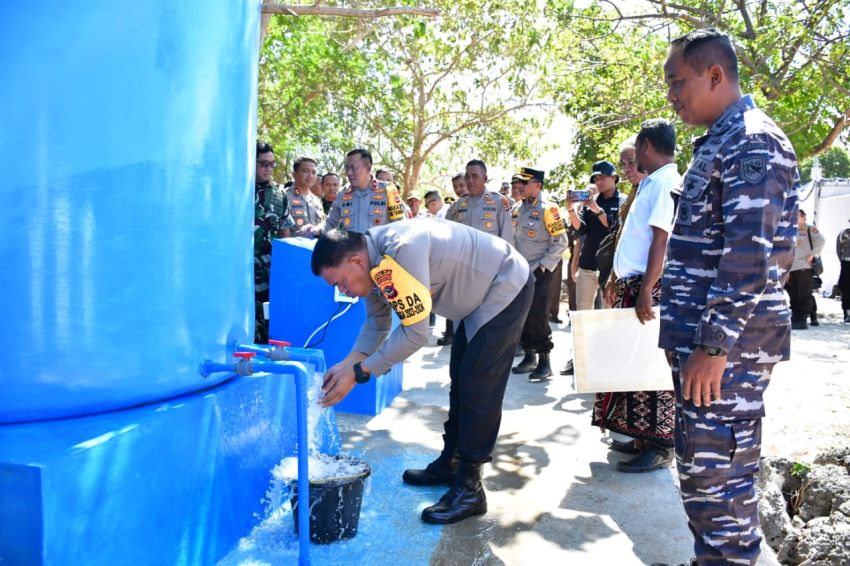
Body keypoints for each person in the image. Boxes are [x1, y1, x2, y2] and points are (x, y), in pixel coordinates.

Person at [654, 28, 799, 566]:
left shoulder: (752, 140)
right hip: (711, 341)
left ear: (715, 75)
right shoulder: (722, 139)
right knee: (701, 466)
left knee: (717, 471)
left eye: (678, 82)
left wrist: (713, 347)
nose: (672, 96)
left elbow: (749, 256)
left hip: (729, 349)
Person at [311, 223, 534, 525]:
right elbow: (378, 322)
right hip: (476, 298)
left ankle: (470, 489)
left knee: (479, 387)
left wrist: (361, 372)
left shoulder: (401, 251)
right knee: (462, 380)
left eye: (340, 282)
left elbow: (416, 333)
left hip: (504, 284)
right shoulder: (371, 261)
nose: (343, 291)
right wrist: (348, 364)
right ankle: (452, 463)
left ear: (356, 262)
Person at [592, 119, 680, 473]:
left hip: (651, 286)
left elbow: (661, 239)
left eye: (635, 151)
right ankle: (643, 436)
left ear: (646, 146)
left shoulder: (665, 183)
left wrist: (645, 290)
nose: (632, 160)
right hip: (636, 283)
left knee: (651, 367)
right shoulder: (651, 183)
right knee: (633, 364)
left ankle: (660, 445)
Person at [560, 161, 626, 376]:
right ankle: (578, 358)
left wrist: (595, 208)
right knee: (582, 315)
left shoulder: (623, 201)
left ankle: (607, 358)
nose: (599, 181)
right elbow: (582, 231)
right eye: (596, 178)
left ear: (614, 178)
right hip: (588, 265)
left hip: (610, 268)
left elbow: (613, 227)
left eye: (602, 177)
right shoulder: (590, 203)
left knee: (608, 315)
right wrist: (571, 209)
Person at [510, 167, 568, 381]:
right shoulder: (517, 208)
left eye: (524, 183)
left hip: (539, 271)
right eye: (518, 183)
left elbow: (561, 242)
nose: (519, 187)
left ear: (537, 185)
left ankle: (545, 361)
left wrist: (543, 266)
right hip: (518, 271)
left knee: (537, 315)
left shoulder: (549, 209)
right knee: (521, 314)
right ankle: (529, 356)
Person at [253, 141, 295, 343]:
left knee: (268, 317)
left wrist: (286, 265)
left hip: (268, 269)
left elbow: (284, 230)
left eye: (272, 164)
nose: (268, 169)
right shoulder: (235, 191)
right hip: (239, 269)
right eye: (263, 164)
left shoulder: (279, 194)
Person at [326, 149, 406, 233]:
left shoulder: (389, 190)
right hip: (350, 245)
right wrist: (316, 230)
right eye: (347, 168)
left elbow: (399, 226)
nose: (349, 172)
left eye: (354, 168)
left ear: (368, 168)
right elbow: (330, 223)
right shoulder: (342, 193)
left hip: (378, 245)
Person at [785, 210, 824, 329]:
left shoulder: (809, 229)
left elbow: (821, 240)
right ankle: (795, 317)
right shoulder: (790, 230)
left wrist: (813, 254)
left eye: (797, 216)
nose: (795, 218)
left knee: (804, 294)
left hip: (804, 267)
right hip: (791, 268)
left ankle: (802, 319)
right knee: (794, 294)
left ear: (803, 217)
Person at [286, 157, 325, 237]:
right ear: (294, 174)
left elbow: (323, 224)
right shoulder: (285, 196)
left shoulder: (317, 200)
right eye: (305, 171)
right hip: (293, 247)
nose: (310, 176)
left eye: (314, 172)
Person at [838, 221, 850, 323]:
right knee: (845, 287)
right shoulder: (844, 234)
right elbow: (839, 249)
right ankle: (846, 313)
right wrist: (842, 261)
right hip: (846, 263)